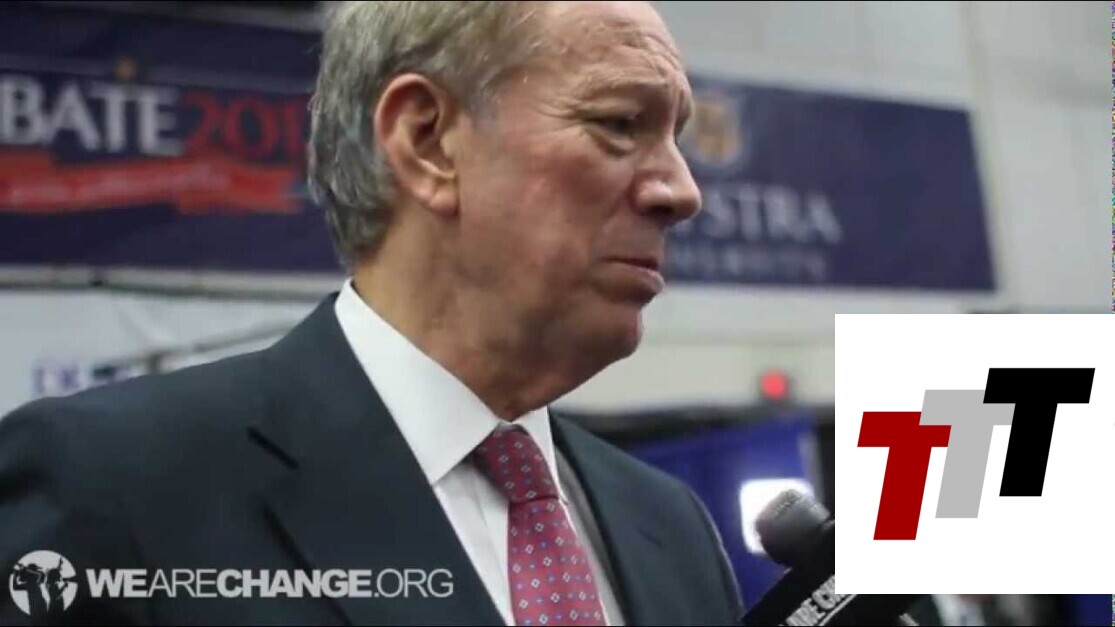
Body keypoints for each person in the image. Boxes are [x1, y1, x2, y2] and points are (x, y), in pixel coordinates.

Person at [0, 1, 743, 625]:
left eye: (674, 139)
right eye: (620, 123)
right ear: (426, 140)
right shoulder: (113, 487)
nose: (682, 192)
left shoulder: (670, 528)